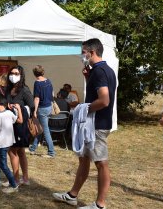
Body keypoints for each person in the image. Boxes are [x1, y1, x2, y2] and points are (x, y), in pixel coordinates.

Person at [53, 38, 117, 209]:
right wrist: (88, 78)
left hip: (97, 124)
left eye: (83, 52)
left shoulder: (100, 71)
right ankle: (72, 195)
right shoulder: (101, 70)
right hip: (92, 123)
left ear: (92, 52)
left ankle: (100, 204)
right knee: (84, 159)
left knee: (101, 163)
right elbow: (96, 93)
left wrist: (83, 108)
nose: (82, 55)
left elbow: (104, 100)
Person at [6, 65, 34, 185]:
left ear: (21, 75)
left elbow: (32, 106)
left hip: (20, 124)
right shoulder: (9, 89)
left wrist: (19, 108)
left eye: (16, 74)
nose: (13, 76)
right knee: (21, 151)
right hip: (10, 124)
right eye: (12, 73)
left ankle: (15, 180)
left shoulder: (24, 89)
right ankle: (25, 179)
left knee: (12, 151)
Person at [29, 65, 55, 158]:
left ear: (35, 73)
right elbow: (52, 93)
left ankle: (51, 152)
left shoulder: (37, 83)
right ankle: (33, 148)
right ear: (43, 72)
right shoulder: (48, 81)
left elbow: (36, 98)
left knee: (45, 130)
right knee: (41, 128)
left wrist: (35, 110)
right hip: (48, 107)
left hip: (42, 108)